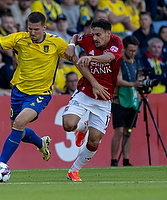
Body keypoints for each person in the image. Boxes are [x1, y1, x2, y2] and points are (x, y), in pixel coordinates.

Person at [0, 12, 68, 166]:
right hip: (19, 92)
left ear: (44, 27)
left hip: (40, 93)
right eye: (30, 29)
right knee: (17, 129)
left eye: (36, 29)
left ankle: (1, 165)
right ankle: (41, 143)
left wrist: (77, 48)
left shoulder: (57, 43)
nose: (32, 32)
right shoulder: (19, 38)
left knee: (18, 123)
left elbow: (73, 58)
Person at [62, 19, 123, 181]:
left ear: (108, 34)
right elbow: (75, 37)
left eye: (99, 35)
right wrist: (71, 45)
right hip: (85, 91)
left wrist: (90, 58)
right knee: (68, 125)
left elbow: (110, 57)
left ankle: (74, 170)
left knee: (94, 141)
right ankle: (82, 126)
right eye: (93, 34)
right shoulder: (87, 39)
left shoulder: (116, 42)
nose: (95, 38)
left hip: (104, 97)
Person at [110, 35, 142, 167]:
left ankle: (126, 160)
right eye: (130, 51)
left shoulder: (135, 62)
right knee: (119, 131)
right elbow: (118, 80)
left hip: (132, 100)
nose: (133, 53)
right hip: (119, 100)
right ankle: (113, 160)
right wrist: (134, 84)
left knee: (128, 131)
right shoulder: (120, 61)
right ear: (124, 49)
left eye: (135, 51)